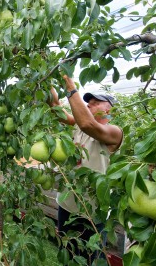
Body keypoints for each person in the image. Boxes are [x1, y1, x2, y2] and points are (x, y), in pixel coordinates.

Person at [48, 75, 123, 263]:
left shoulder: (114, 132)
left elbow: (88, 124)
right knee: (68, 254)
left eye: (96, 103)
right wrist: (48, 80)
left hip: (92, 214)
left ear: (109, 109)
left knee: (89, 259)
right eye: (88, 103)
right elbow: (57, 110)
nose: (89, 105)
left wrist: (70, 87)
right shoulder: (79, 128)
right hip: (66, 206)